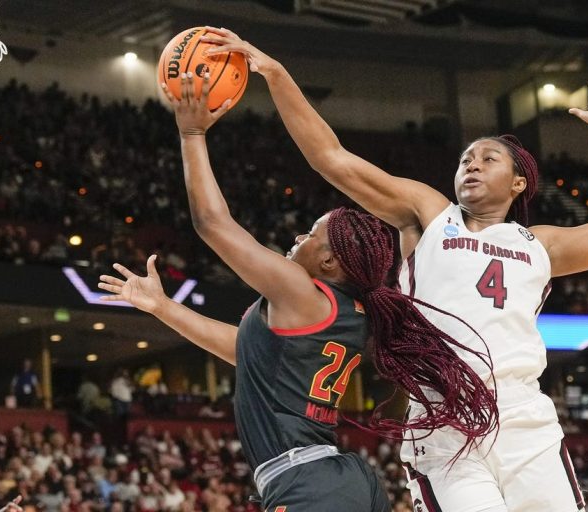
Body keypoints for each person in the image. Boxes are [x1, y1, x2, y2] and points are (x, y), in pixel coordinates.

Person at [200, 28, 588, 512]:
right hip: (444, 419)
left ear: (518, 182)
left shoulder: (542, 243)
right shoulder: (429, 214)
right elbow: (331, 159)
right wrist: (276, 74)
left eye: (489, 159)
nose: (472, 165)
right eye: (466, 158)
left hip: (526, 417)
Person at [98, 72, 498, 512]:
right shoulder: (348, 310)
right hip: (339, 479)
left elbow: (213, 224)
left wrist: (191, 134)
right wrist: (163, 307)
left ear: (329, 262)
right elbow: (246, 351)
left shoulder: (301, 292)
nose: (297, 239)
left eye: (311, 234)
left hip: (308, 483)